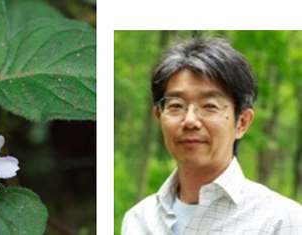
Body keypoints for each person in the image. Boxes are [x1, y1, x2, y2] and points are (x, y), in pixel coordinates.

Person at [122, 37, 302, 235]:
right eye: (176, 106)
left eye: (209, 106)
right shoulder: (138, 220)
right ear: (159, 116)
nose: (190, 121)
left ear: (241, 122)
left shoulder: (281, 221)